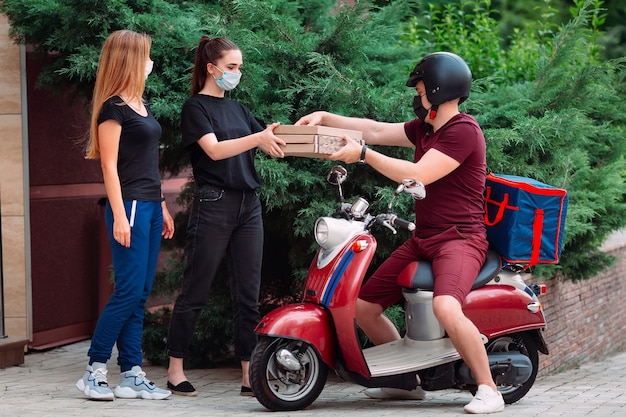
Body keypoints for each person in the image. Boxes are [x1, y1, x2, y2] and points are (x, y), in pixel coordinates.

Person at [295, 52, 505, 414]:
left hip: (461, 239)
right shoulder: (425, 129)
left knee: (445, 306)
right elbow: (374, 129)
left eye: (421, 91)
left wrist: (364, 155)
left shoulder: (464, 132)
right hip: (424, 238)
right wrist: (326, 118)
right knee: (363, 307)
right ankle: (406, 383)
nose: (417, 98)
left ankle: (488, 388)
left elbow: (418, 173)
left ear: (438, 93)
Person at [165, 36, 285, 397]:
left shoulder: (238, 109)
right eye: (232, 68)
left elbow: (269, 140)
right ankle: (174, 370)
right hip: (214, 203)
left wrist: (298, 138)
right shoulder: (195, 108)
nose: (237, 74)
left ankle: (250, 376)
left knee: (248, 294)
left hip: (248, 205)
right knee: (196, 288)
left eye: (239, 68)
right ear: (211, 68)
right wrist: (258, 139)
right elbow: (214, 151)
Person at [77, 29, 175, 401]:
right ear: (131, 59)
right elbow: (110, 166)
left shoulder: (140, 104)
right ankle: (94, 370)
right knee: (129, 291)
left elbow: (146, 164)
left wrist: (162, 204)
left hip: (148, 205)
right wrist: (119, 214)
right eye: (146, 55)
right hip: (130, 206)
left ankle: (132, 373)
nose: (151, 62)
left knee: (140, 293)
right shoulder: (113, 109)